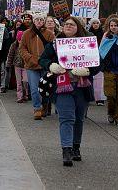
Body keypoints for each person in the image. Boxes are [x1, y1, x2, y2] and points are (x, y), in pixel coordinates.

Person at [39, 16, 100, 167]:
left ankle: (76, 147)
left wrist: (88, 70)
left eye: (72, 24)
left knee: (79, 119)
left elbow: (98, 62)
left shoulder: (88, 43)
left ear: (78, 27)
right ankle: (66, 150)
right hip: (62, 86)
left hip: (82, 87)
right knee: (66, 118)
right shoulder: (55, 44)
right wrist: (51, 65)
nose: (68, 26)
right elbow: (42, 59)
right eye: (66, 24)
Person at [20, 12, 55, 120]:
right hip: (31, 66)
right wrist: (30, 58)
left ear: (43, 21)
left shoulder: (49, 33)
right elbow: (22, 48)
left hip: (45, 66)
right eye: (37, 20)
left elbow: (54, 48)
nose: (39, 21)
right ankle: (37, 108)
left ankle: (45, 107)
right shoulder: (26, 33)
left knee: (45, 89)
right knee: (35, 89)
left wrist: (48, 61)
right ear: (33, 21)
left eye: (41, 20)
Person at [7, 30, 28, 102]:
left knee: (25, 81)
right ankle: (20, 97)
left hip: (25, 66)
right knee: (19, 82)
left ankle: (25, 95)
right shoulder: (14, 45)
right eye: (19, 40)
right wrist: (8, 64)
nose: (20, 41)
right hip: (17, 65)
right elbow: (10, 55)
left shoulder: (27, 45)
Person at [88, 18, 106, 106]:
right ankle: (90, 96)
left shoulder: (103, 34)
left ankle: (99, 98)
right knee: (89, 77)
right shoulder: (88, 34)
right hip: (90, 57)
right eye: (94, 23)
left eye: (97, 23)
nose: (95, 25)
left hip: (100, 57)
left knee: (99, 78)